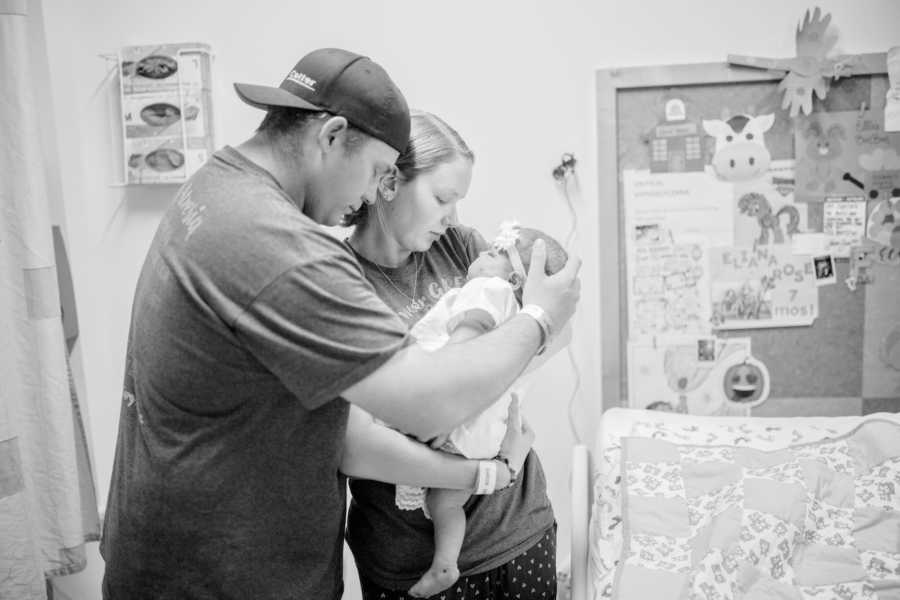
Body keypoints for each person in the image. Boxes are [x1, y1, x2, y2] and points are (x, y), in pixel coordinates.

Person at [100, 48, 581, 599]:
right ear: (330, 136)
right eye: (379, 171)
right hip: (221, 571)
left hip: (196, 546)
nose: (370, 194)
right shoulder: (278, 245)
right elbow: (425, 403)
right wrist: (541, 317)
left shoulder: (217, 186)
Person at [344, 111, 568, 600]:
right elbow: (353, 446)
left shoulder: (461, 247)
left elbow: (543, 326)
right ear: (388, 183)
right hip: (406, 559)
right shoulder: (338, 282)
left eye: (458, 201)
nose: (453, 217)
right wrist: (486, 466)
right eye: (443, 198)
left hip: (516, 532)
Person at [400, 223, 570, 598]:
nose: (480, 255)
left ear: (511, 276)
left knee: (435, 487)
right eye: (443, 196)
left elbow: (463, 348)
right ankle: (446, 561)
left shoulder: (487, 288)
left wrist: (444, 409)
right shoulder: (514, 305)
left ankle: (439, 546)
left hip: (459, 425)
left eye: (492, 253)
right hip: (485, 439)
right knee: (446, 500)